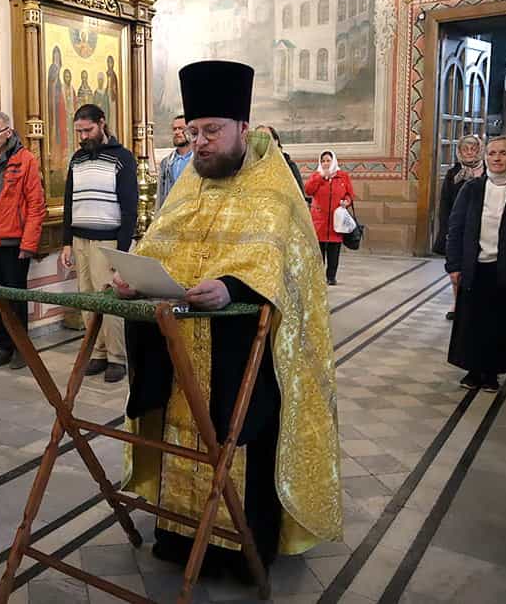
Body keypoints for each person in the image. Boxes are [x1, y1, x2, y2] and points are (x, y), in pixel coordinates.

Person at [113, 60, 341, 579]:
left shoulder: (272, 187)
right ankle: (179, 537)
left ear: (244, 126)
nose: (200, 142)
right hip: (182, 351)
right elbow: (163, 245)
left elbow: (284, 270)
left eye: (212, 131)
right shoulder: (190, 183)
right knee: (182, 434)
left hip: (242, 356)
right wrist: (136, 279)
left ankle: (242, 551)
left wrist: (234, 288)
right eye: (194, 132)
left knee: (238, 441)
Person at [446, 136, 506, 393]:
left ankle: (491, 373)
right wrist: (454, 265)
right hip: (475, 267)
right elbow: (456, 228)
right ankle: (473, 370)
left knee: (501, 322)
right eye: (492, 153)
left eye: (503, 153)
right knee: (473, 321)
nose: (497, 158)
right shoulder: (472, 188)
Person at [61, 104, 137, 383]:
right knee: (87, 298)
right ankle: (98, 353)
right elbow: (70, 202)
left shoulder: (122, 158)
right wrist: (66, 242)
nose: (82, 136)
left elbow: (130, 208)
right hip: (80, 239)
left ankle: (117, 357)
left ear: (102, 123)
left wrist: (123, 248)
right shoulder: (77, 159)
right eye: (78, 131)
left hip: (108, 241)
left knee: (109, 298)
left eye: (87, 129)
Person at [0, 111, 47, 369]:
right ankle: (2, 346)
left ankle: (21, 348)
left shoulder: (26, 161)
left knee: (15, 298)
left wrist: (29, 244)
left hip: (14, 242)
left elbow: (36, 206)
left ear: (8, 132)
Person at [433, 135, 484, 321]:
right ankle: (457, 303)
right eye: (465, 149)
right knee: (457, 267)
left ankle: (476, 304)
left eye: (473, 149)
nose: (469, 153)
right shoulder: (453, 173)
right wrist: (445, 230)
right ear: (460, 152)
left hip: (482, 226)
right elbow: (445, 203)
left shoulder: (487, 170)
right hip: (459, 226)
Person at [305, 150, 355, 285]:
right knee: (318, 252)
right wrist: (321, 177)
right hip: (319, 220)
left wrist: (347, 201)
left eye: (328, 160)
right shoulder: (316, 176)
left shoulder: (343, 176)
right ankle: (318, 277)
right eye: (323, 161)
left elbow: (350, 195)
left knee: (334, 251)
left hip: (336, 221)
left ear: (334, 161)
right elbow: (308, 190)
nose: (326, 163)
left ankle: (331, 277)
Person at [255, 125, 305, 200]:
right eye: (258, 138)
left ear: (276, 142)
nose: (262, 142)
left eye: (266, 137)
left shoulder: (288, 166)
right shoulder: (250, 166)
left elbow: (299, 196)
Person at [156, 114, 193, 210]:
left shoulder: (199, 161)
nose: (177, 132)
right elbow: (161, 195)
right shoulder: (166, 163)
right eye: (174, 129)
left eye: (181, 128)